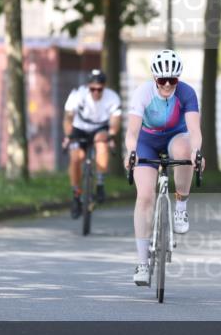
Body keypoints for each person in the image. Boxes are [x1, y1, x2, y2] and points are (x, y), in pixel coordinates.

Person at [125, 49, 203, 286]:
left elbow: (195, 131)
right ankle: (142, 263)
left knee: (184, 150)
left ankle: (181, 205)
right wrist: (131, 153)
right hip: (146, 141)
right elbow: (132, 132)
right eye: (162, 80)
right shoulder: (143, 93)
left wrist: (196, 152)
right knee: (145, 197)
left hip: (176, 137)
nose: (167, 85)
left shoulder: (187, 93)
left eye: (173, 80)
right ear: (154, 79)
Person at [62, 69, 121, 218]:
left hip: (100, 128)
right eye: (92, 89)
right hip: (80, 127)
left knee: (101, 143)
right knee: (76, 158)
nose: (95, 92)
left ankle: (100, 184)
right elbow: (69, 117)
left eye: (99, 89)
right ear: (88, 86)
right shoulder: (78, 94)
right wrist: (69, 136)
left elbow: (115, 120)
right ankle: (76, 194)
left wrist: (112, 134)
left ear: (104, 87)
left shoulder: (112, 97)